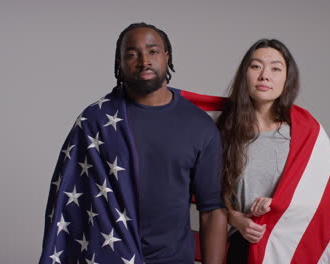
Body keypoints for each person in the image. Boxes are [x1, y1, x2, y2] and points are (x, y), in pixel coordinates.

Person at [39, 22, 227, 264]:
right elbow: (68, 207)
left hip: (174, 259)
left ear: (167, 56)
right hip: (108, 256)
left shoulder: (199, 125)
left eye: (153, 51)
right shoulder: (94, 121)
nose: (144, 60)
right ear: (119, 62)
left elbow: (212, 210)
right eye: (132, 54)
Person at [216, 39, 330, 263]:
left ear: (287, 79)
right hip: (242, 246)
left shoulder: (307, 132)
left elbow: (325, 200)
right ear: (244, 74)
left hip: (289, 249)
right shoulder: (224, 130)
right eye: (256, 66)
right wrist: (237, 219)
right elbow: (210, 194)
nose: (265, 75)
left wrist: (280, 204)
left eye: (276, 68)